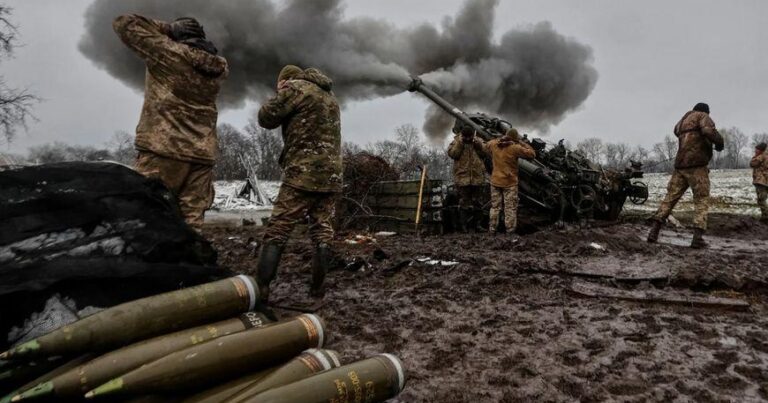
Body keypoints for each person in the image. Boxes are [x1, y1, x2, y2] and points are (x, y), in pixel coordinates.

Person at [113, 14, 228, 229]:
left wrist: (166, 28)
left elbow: (123, 23)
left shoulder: (169, 53)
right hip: (202, 153)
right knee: (192, 224)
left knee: (148, 217)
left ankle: (152, 262)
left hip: (165, 149)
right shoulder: (219, 67)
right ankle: (190, 261)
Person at [255, 65, 342, 301]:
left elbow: (265, 118)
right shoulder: (329, 96)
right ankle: (317, 290)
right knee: (322, 233)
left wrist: (283, 90)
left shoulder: (296, 89)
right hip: (331, 176)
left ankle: (260, 289)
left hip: (303, 173)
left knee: (278, 229)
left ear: (287, 79)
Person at [647, 103, 724, 248]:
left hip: (680, 166)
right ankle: (697, 238)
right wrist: (720, 142)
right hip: (697, 166)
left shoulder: (682, 120)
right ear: (705, 111)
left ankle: (653, 232)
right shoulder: (703, 116)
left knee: (669, 199)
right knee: (701, 200)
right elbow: (708, 131)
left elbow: (676, 131)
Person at [483, 128, 536, 235]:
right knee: (510, 208)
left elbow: (484, 146)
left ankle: (492, 230)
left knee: (495, 207)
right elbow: (532, 154)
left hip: (495, 181)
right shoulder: (515, 148)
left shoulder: (494, 144)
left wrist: (498, 139)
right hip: (509, 183)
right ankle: (510, 232)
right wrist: (522, 143)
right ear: (515, 139)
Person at [447, 126, 487, 232]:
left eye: (470, 137)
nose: (468, 139)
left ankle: (477, 225)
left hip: (477, 177)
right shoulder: (456, 141)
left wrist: (477, 144)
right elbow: (453, 154)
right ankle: (463, 226)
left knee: (478, 203)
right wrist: (460, 143)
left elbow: (486, 153)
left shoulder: (478, 141)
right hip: (462, 178)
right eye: (466, 137)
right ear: (462, 135)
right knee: (464, 203)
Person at [750, 142, 768, 222]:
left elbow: (752, 164)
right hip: (766, 180)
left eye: (756, 149)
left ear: (760, 150)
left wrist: (755, 157)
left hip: (761, 181)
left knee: (761, 199)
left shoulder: (761, 156)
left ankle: (765, 216)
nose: (755, 151)